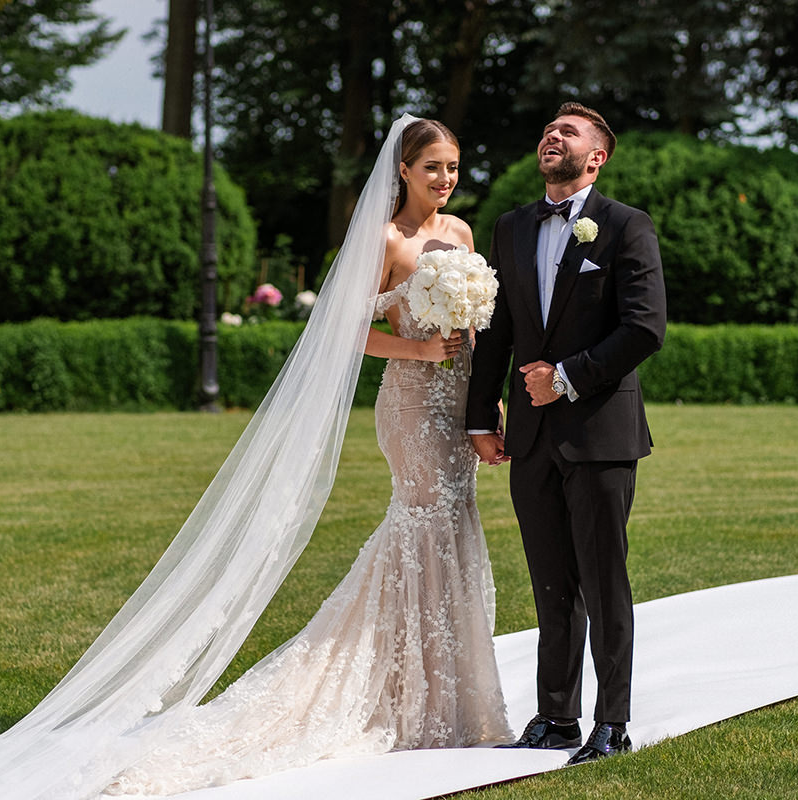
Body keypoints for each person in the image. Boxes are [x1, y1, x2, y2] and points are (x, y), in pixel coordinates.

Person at [100, 117, 512, 795]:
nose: (445, 180)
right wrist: (415, 349)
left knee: (454, 525)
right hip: (409, 406)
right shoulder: (383, 240)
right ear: (403, 171)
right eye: (433, 167)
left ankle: (451, 696)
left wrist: (483, 405)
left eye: (454, 168)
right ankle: (395, 691)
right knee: (423, 521)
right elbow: (345, 328)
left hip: (459, 401)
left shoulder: (463, 235)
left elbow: (476, 332)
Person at [466, 103, 667, 764]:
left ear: (597, 156)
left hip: (600, 430)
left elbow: (643, 327)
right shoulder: (511, 227)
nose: (553, 136)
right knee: (550, 578)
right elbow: (498, 329)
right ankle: (556, 715)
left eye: (569, 132)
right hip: (529, 434)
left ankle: (613, 722)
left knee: (603, 578)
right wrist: (480, 414)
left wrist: (570, 376)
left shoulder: (625, 226)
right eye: (549, 129)